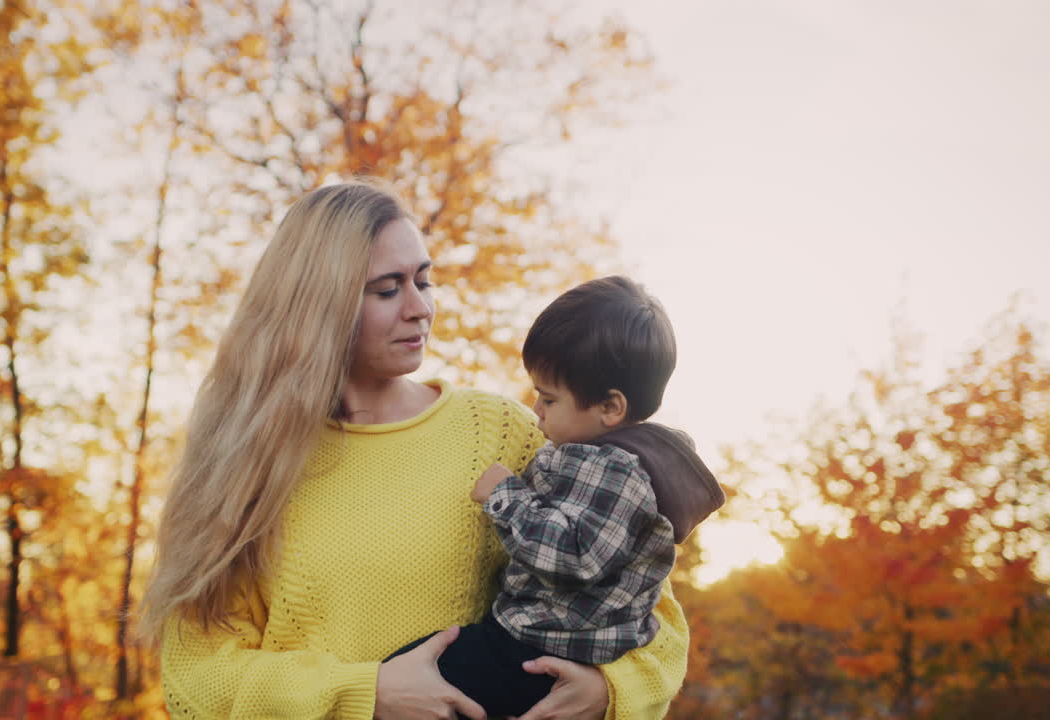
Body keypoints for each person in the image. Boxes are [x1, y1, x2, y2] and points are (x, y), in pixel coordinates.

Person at [138, 180, 691, 720]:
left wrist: (607, 691)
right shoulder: (250, 461)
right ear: (318, 303)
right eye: (387, 289)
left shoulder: (502, 432)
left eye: (424, 282)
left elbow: (651, 612)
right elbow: (198, 676)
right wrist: (364, 694)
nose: (419, 307)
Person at [386, 276, 726, 718]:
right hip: (544, 645)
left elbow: (576, 557)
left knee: (411, 673)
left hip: (538, 648)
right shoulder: (608, 459)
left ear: (610, 408)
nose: (536, 411)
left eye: (549, 399)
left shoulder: (613, 470)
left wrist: (506, 497)